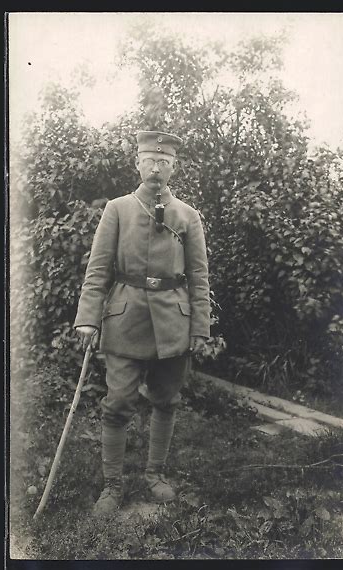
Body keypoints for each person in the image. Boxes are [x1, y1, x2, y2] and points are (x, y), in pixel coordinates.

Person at [74, 130, 210, 516]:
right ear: (137, 163)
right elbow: (98, 268)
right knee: (117, 404)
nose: (155, 168)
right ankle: (112, 486)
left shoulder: (188, 216)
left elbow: (199, 277)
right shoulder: (117, 209)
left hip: (173, 323)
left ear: (174, 167)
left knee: (166, 401)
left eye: (163, 162)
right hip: (125, 318)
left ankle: (155, 475)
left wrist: (200, 327)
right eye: (149, 160)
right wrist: (88, 318)